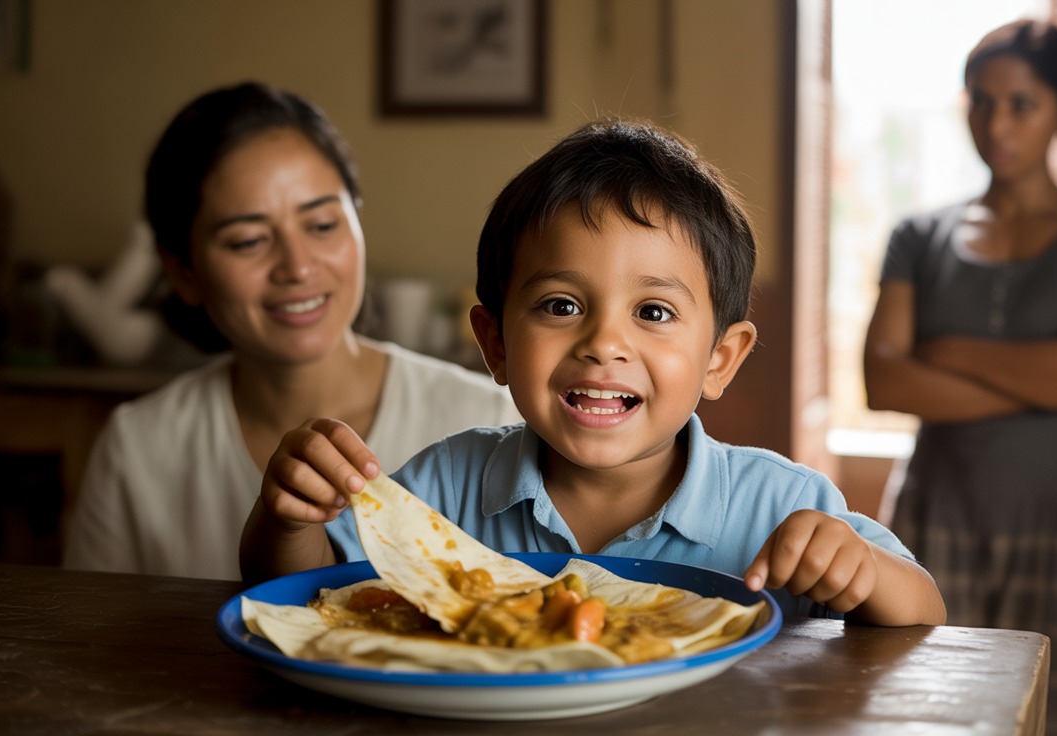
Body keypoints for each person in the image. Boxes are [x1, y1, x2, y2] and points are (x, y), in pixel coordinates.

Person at [240, 119, 947, 626]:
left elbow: (925, 613)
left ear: (720, 359)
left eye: (654, 312)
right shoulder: (443, 489)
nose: (604, 343)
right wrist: (286, 514)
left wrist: (864, 570)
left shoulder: (779, 505)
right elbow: (303, 599)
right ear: (495, 344)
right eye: (560, 304)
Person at [62, 82, 520, 580]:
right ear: (183, 272)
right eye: (249, 240)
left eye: (322, 225)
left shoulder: (490, 418)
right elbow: (97, 640)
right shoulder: (139, 447)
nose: (298, 267)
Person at [862, 19, 1057, 736]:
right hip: (939, 515)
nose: (997, 122)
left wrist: (948, 348)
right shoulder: (918, 236)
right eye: (981, 101)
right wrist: (1054, 374)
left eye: (1022, 103)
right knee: (927, 710)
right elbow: (884, 382)